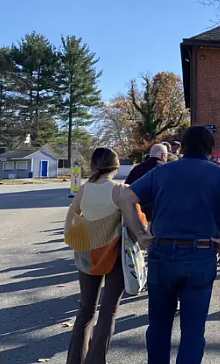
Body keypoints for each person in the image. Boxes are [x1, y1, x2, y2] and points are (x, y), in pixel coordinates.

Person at [116, 126, 220, 364]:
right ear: (211, 150)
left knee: (158, 326)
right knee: (193, 330)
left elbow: (126, 198)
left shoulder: (162, 172)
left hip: (162, 252)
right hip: (201, 253)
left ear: (183, 147)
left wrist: (139, 233)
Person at [65, 147, 145, 364]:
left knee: (85, 311)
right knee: (108, 312)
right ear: (116, 165)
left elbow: (74, 216)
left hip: (89, 255)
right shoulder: (121, 190)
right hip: (115, 255)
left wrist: (92, 231)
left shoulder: (83, 190)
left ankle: (75, 360)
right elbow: (135, 224)